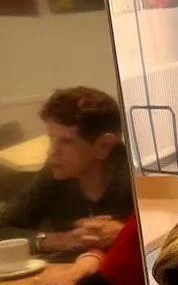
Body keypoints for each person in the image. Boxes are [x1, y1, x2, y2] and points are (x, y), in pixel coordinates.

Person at [0, 87, 135, 254]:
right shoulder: (53, 174)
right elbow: (4, 228)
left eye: (66, 141)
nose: (51, 152)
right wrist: (58, 240)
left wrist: (127, 233)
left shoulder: (137, 177)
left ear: (104, 146)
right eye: (51, 139)